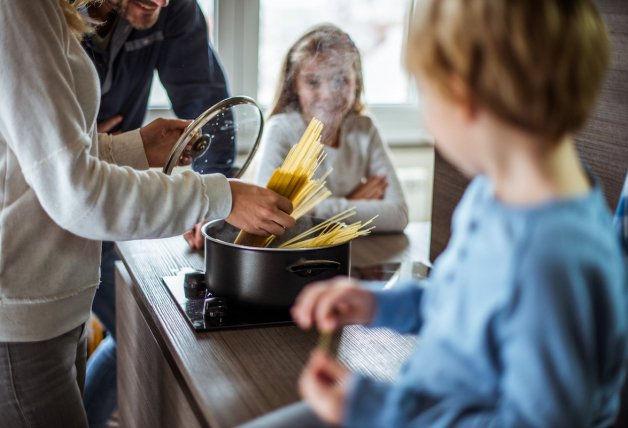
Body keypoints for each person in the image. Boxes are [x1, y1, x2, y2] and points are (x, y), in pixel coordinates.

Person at [241, 1, 627, 427]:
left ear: (462, 98)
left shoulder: (552, 260)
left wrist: (376, 411)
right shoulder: (493, 193)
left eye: (424, 92)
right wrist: (375, 305)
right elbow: (455, 301)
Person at [0, 1, 295, 427]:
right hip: (20, 308)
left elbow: (39, 161)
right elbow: (77, 192)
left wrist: (134, 147)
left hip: (52, 301)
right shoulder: (20, 11)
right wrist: (219, 196)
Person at [80, 1, 234, 425]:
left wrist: (213, 201)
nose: (161, 2)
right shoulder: (47, 13)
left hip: (114, 195)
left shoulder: (174, 8)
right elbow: (51, 149)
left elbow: (206, 104)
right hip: (58, 198)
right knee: (135, 332)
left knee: (137, 329)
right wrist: (85, 145)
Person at [255, 24, 408, 233]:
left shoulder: (364, 128)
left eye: (340, 79)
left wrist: (315, 209)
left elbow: (398, 214)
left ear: (356, 83)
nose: (328, 94)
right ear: (295, 87)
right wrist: (353, 200)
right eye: (313, 82)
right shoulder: (281, 130)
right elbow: (271, 217)